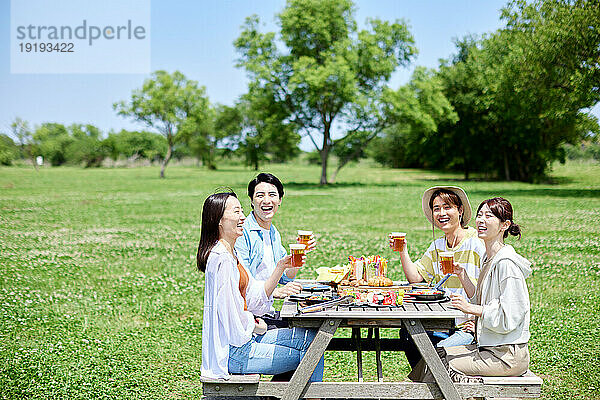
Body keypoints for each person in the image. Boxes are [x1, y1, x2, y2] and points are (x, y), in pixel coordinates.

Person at [197, 191, 323, 381]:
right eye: (236, 212)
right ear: (219, 220)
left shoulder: (231, 254)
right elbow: (229, 312)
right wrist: (255, 325)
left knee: (314, 340)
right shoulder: (221, 258)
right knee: (311, 356)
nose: (242, 217)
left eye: (241, 211)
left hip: (245, 340)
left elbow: (255, 295)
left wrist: (280, 267)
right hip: (235, 352)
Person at [409, 197, 531, 382]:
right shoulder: (489, 259)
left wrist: (470, 309)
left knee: (436, 363)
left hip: (506, 355)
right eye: (479, 215)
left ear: (504, 225)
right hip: (489, 347)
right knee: (437, 354)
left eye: (489, 216)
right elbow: (481, 300)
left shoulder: (506, 264)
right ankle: (414, 391)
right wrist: (463, 275)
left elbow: (511, 316)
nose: (481, 220)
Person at [395, 186, 485, 366]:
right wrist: (403, 250)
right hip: (441, 322)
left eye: (447, 207)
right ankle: (430, 384)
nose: (441, 213)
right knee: (407, 334)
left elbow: (490, 288)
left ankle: (433, 385)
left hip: (467, 327)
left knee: (436, 353)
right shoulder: (438, 245)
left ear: (460, 211)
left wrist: (477, 321)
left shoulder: (477, 243)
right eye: (436, 209)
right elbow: (417, 278)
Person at [235, 173, 316, 325]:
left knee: (312, 325)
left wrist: (298, 255)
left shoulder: (273, 232)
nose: (266, 200)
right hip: (250, 316)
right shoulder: (242, 232)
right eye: (260, 195)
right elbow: (243, 282)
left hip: (266, 311)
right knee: (308, 333)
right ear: (252, 201)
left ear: (279, 201)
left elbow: (286, 277)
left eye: (272, 195)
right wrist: (276, 292)